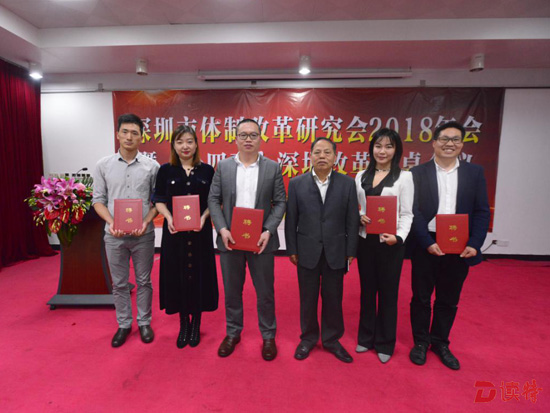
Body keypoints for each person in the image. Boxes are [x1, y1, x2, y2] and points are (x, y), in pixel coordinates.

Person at [408, 121, 490, 370]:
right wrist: (427, 241)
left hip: (459, 244)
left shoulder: (474, 173)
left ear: (462, 144)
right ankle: (420, 342)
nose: (449, 144)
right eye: (444, 139)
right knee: (421, 297)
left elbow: (482, 211)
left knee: (449, 298)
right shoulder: (417, 173)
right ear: (434, 142)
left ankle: (440, 342)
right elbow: (413, 211)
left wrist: (475, 243)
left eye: (455, 139)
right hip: (427, 242)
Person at [208, 118, 286, 361]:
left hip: (261, 241)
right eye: (243, 135)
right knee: (232, 290)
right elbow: (213, 200)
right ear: (236, 139)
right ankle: (233, 333)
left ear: (260, 138)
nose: (248, 139)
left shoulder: (272, 168)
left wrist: (268, 230)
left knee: (265, 292)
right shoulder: (224, 166)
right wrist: (222, 229)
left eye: (253, 135)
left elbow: (280, 202)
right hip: (230, 240)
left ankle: (268, 336)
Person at [285, 138, 359, 363]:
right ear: (310, 156)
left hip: (336, 251)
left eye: (327, 152)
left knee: (333, 298)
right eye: (317, 152)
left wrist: (351, 250)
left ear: (335, 157)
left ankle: (332, 340)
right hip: (306, 250)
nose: (322, 156)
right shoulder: (297, 183)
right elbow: (291, 219)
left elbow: (352, 219)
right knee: (307, 298)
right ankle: (308, 338)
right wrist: (292, 248)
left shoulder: (347, 184)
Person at [92, 113, 160, 347]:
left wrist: (146, 221)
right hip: (114, 236)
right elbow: (98, 200)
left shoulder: (152, 167)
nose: (129, 137)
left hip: (143, 235)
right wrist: (111, 222)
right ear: (118, 134)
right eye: (125, 132)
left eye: (134, 133)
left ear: (141, 137)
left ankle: (144, 322)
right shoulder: (103, 165)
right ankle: (123, 324)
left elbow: (157, 202)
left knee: (144, 281)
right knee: (119, 283)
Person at [152, 125, 218, 349]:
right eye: (180, 142)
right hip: (175, 235)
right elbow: (159, 199)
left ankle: (196, 323)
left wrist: (204, 217)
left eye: (189, 141)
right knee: (177, 275)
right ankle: (183, 324)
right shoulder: (165, 170)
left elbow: (213, 201)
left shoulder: (207, 171)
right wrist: (169, 217)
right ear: (173, 145)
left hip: (200, 233)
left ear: (196, 144)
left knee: (199, 275)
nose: (185, 146)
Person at [355, 128, 414, 363]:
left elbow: (407, 213)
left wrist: (398, 237)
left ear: (396, 150)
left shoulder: (404, 177)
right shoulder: (360, 175)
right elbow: (357, 207)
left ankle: (385, 342)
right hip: (365, 242)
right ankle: (365, 337)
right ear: (371, 148)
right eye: (378, 146)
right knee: (367, 291)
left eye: (389, 146)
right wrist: (359, 217)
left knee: (388, 293)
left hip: (390, 243)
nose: (382, 151)